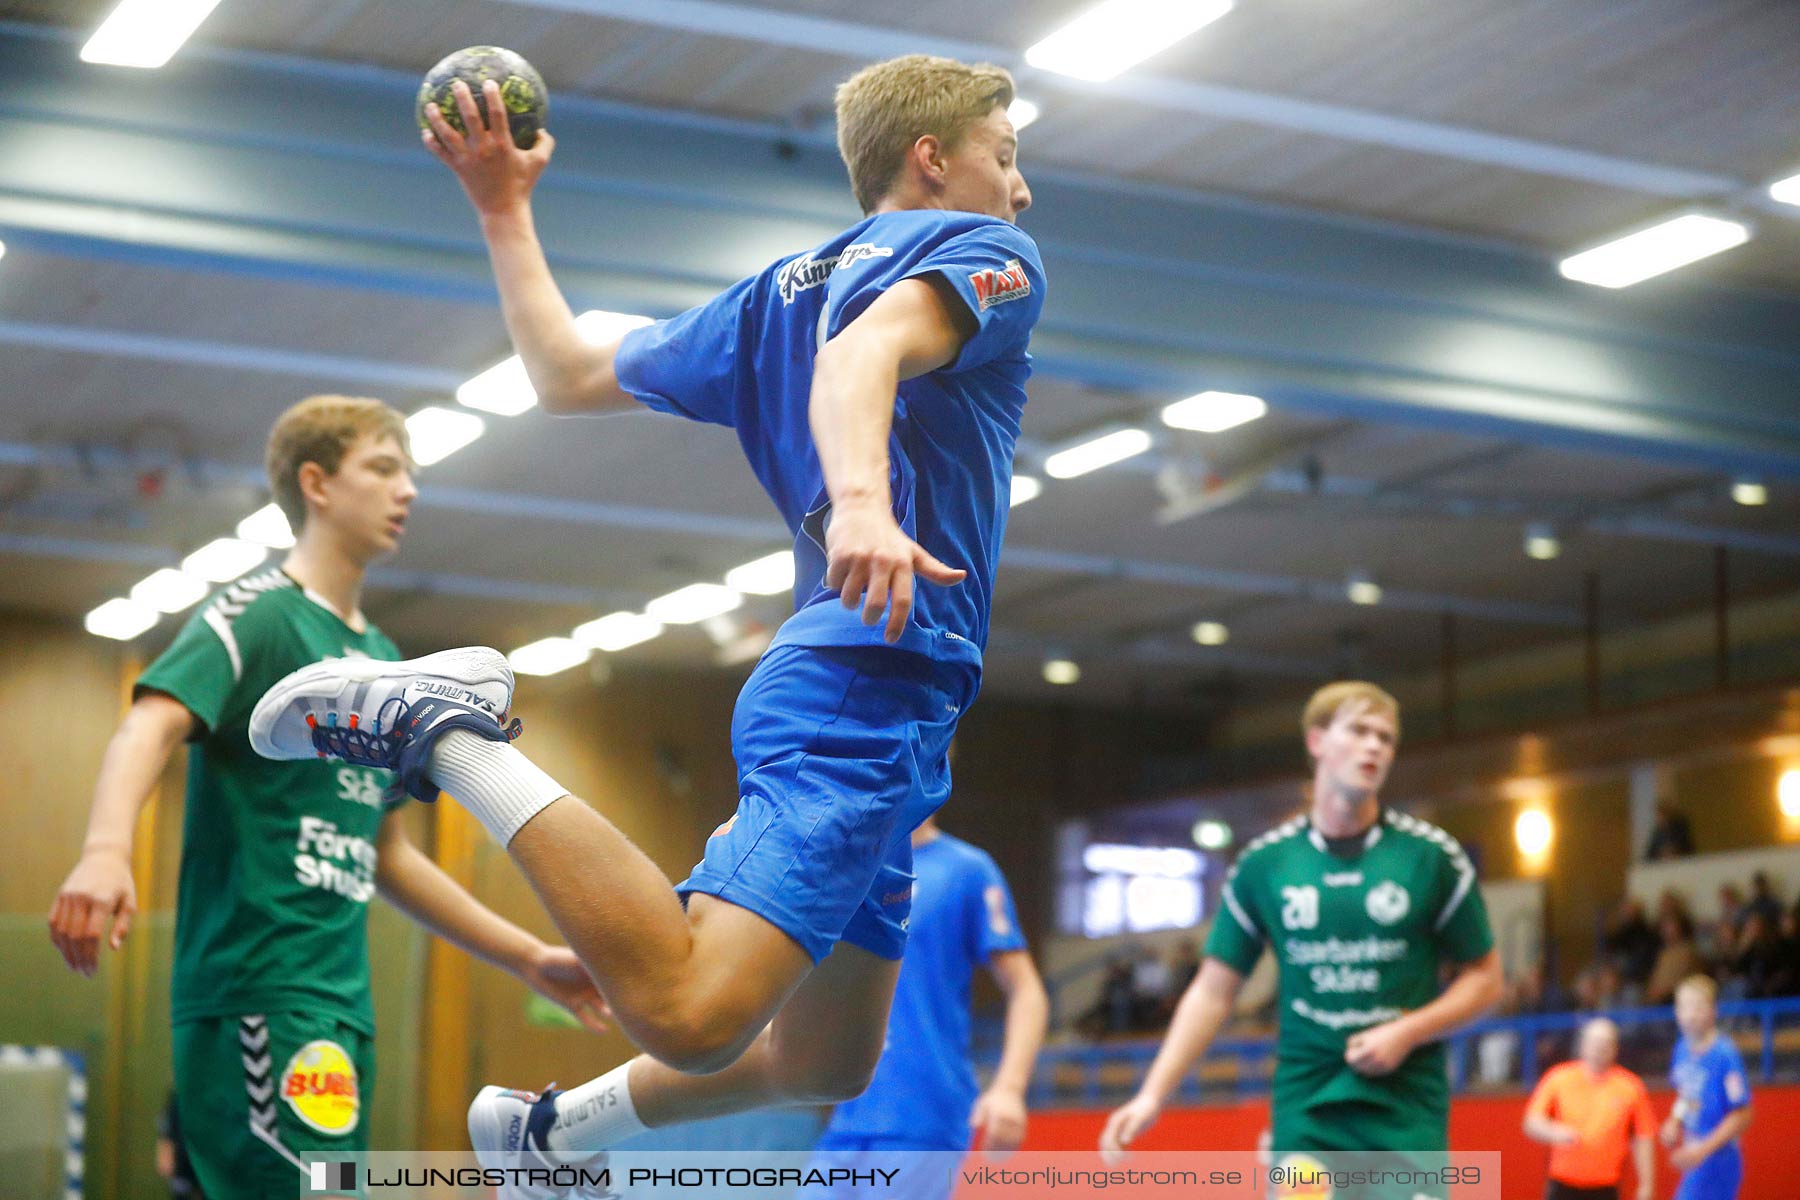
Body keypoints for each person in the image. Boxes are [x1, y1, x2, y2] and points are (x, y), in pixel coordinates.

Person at [250, 53, 1042, 1171]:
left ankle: (549, 1136)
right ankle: (452, 732)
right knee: (689, 1012)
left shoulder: (777, 292)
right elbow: (867, 354)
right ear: (933, 160)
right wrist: (863, 502)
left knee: (825, 1060)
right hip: (874, 662)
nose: (1020, 188)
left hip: (891, 695)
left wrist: (502, 208)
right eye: (1005, 156)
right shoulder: (986, 252)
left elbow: (565, 371)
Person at [47, 396, 607, 1199]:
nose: (406, 489)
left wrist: (526, 958)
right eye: (383, 468)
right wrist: (104, 850)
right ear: (316, 483)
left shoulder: (379, 659)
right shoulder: (261, 614)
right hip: (260, 988)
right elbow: (149, 724)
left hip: (340, 1005)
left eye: (409, 472)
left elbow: (387, 855)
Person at [1098, 682, 1504, 1198]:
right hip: (1306, 1105)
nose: (1375, 746)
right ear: (1317, 742)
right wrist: (1153, 1094)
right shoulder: (1265, 865)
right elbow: (1212, 991)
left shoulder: (1430, 858)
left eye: (1386, 737)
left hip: (1405, 1107)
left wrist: (1407, 1032)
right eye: (1359, 731)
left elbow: (1487, 980)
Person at [801, 815, 1048, 1200]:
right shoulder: (849, 869)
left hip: (923, 1111)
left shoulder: (966, 870)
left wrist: (1010, 1088)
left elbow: (1026, 989)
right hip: (847, 1114)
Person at [1522, 1017, 1656, 1200]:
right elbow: (1531, 1122)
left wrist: (1646, 1184)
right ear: (1583, 1045)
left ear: (1615, 1048)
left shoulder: (1631, 1087)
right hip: (1563, 1183)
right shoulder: (1559, 1078)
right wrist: (1554, 1132)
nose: (1599, 1049)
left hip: (1606, 1185)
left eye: (1606, 1044)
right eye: (1594, 1043)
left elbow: (1643, 1136)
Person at [1662, 975, 1752, 1200]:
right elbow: (1685, 1094)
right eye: (1684, 1007)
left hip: (1719, 1158)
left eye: (1698, 1007)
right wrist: (1675, 1120)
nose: (1691, 1015)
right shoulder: (1681, 1049)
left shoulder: (1724, 1055)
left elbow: (1742, 1114)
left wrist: (1702, 1150)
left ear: (1714, 1011)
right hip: (1695, 1153)